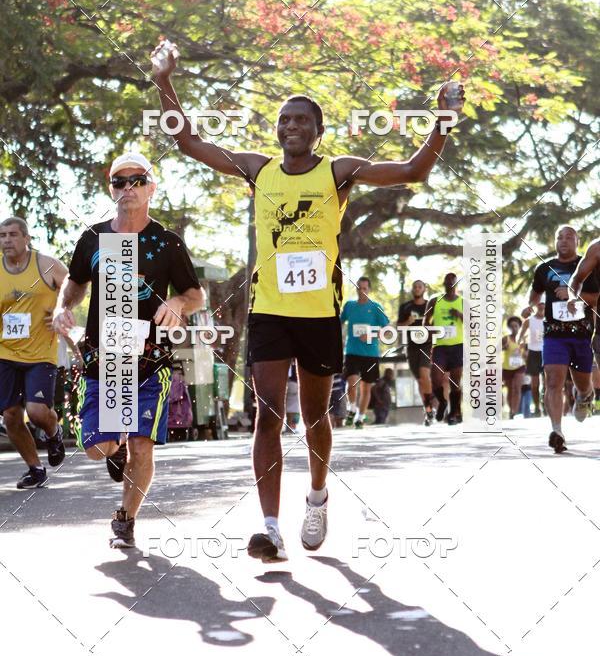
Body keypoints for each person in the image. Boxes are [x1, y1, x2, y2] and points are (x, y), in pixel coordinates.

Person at [151, 39, 465, 562]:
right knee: (268, 415)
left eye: (301, 121)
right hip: (270, 311)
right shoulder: (258, 169)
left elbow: (413, 171)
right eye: (284, 120)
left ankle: (317, 495)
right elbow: (191, 144)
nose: (291, 127)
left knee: (317, 417)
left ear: (318, 131)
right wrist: (164, 82)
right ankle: (270, 527)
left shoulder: (337, 171)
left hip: (319, 313)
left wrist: (443, 121)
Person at [53, 152, 205, 547]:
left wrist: (178, 304)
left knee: (143, 443)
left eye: (136, 180)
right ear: (111, 189)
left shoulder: (167, 242)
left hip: (150, 360)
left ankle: (126, 519)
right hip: (101, 359)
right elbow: (75, 284)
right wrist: (60, 308)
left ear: (152, 188)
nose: (127, 189)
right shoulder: (93, 238)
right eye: (119, 182)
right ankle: (112, 448)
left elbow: (195, 294)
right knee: (96, 447)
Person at [0, 217, 68, 488]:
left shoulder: (46, 264)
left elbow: (73, 289)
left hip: (41, 352)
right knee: (10, 416)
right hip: (5, 351)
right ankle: (35, 468)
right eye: (2, 235)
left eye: (13, 235)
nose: (6, 240)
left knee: (38, 411)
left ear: (26, 238)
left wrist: (64, 310)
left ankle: (53, 432)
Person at [524, 225, 599, 454]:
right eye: (559, 237)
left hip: (582, 333)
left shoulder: (589, 263)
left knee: (582, 383)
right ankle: (557, 431)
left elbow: (596, 297)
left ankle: (585, 395)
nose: (563, 241)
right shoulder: (544, 268)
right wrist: (531, 305)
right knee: (553, 381)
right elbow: (534, 293)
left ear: (577, 241)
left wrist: (572, 295)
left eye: (569, 237)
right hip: (555, 334)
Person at [340, 277, 390, 429]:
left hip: (370, 353)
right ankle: (352, 408)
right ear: (356, 289)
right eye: (359, 288)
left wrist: (371, 335)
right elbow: (339, 322)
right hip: (352, 351)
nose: (362, 291)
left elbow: (388, 331)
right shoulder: (349, 306)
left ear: (369, 289)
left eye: (365, 288)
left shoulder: (375, 307)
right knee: (352, 382)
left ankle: (360, 418)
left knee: (366, 387)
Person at [424, 272, 464, 425]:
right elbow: (425, 323)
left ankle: (454, 414)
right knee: (435, 380)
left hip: (457, 346)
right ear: (444, 285)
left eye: (452, 283)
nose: (449, 286)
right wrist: (430, 330)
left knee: (455, 382)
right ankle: (442, 402)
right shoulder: (434, 301)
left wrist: (459, 314)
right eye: (447, 283)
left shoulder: (462, 302)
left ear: (456, 284)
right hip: (440, 346)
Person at [397, 279, 434, 425]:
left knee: (424, 374)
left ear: (424, 289)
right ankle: (428, 410)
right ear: (412, 290)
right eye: (415, 287)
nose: (417, 289)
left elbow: (436, 324)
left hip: (427, 345)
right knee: (419, 380)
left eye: (420, 287)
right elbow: (399, 326)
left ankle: (431, 406)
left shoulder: (429, 306)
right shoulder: (405, 307)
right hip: (411, 346)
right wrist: (408, 322)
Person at [518, 300, 544, 416]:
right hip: (533, 353)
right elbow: (520, 337)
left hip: (547, 351)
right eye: (539, 303)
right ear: (536, 305)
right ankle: (537, 407)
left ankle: (547, 405)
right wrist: (523, 347)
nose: (541, 305)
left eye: (543, 303)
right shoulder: (529, 321)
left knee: (548, 383)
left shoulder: (550, 319)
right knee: (534, 384)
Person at [502, 316, 526, 419]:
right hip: (507, 368)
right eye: (511, 326)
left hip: (520, 366)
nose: (514, 328)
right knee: (510, 389)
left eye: (516, 326)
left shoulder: (524, 339)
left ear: (519, 327)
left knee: (517, 388)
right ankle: (511, 409)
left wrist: (526, 354)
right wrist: (504, 347)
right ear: (509, 328)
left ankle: (514, 412)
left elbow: (527, 353)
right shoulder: (505, 338)